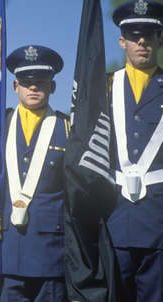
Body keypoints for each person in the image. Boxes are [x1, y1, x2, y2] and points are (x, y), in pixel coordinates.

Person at [0, 45, 70, 301]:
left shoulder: (68, 129)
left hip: (52, 258)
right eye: (26, 81)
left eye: (41, 81)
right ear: (15, 86)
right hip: (7, 256)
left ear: (53, 86)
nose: (33, 87)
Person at [106, 1, 163, 301]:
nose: (142, 41)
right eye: (134, 34)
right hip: (115, 219)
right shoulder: (103, 88)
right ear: (122, 40)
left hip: (159, 224)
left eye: (150, 34)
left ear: (159, 39)